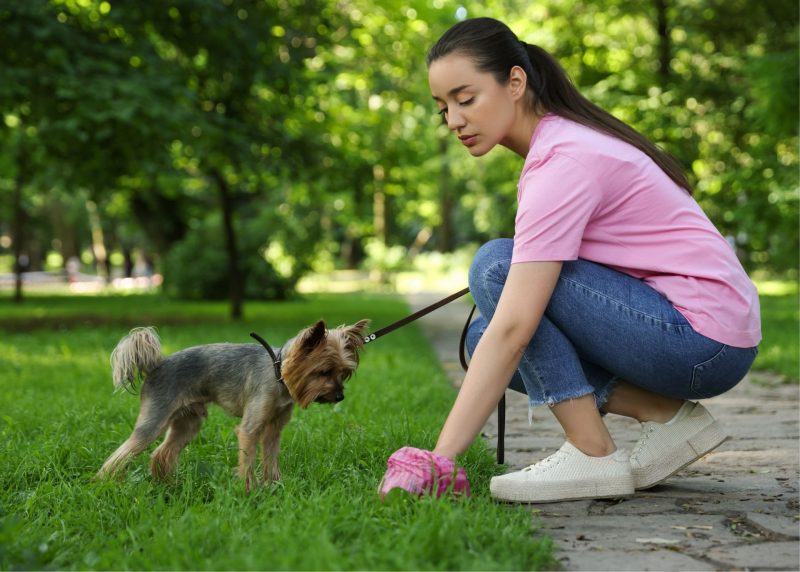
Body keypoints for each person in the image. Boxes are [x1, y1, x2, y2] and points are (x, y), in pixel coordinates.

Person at [381, 17, 761, 503]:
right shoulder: (563, 143)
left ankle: (592, 452)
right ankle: (665, 417)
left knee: (496, 266)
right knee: (480, 341)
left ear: (514, 82)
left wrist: (441, 457)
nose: (454, 120)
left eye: (465, 98)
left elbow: (517, 325)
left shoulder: (564, 160)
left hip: (700, 337)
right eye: (443, 108)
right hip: (704, 335)